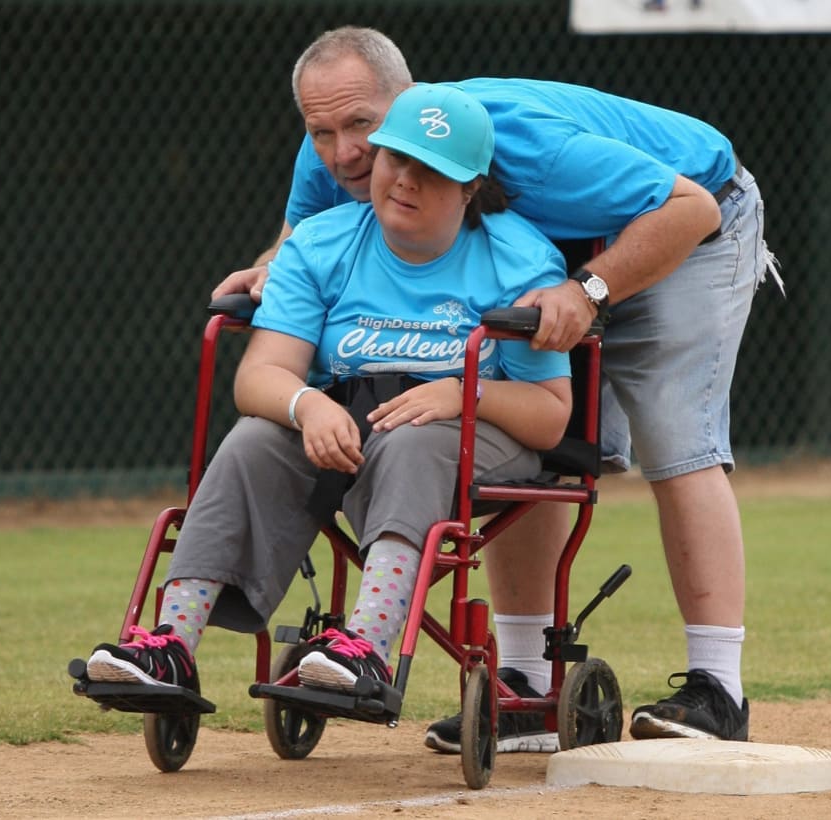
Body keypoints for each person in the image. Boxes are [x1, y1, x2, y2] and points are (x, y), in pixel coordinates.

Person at [213, 26, 782, 750]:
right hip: (561, 250)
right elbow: (302, 234)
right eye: (322, 131)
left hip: (688, 219)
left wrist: (591, 290)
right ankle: (524, 686)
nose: (343, 152)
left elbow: (691, 207)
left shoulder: (527, 150)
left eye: (359, 125)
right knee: (522, 432)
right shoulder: (342, 142)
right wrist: (270, 267)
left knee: (676, 435)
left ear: (406, 103)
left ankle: (717, 689)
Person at [84, 84, 575, 707]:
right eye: (397, 159)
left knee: (412, 442)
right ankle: (170, 645)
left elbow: (551, 417)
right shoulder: (323, 243)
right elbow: (260, 376)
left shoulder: (521, 259)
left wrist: (464, 394)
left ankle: (365, 647)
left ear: (470, 186)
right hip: (342, 420)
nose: (405, 182)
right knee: (256, 438)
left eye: (432, 171)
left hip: (473, 434)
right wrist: (307, 404)